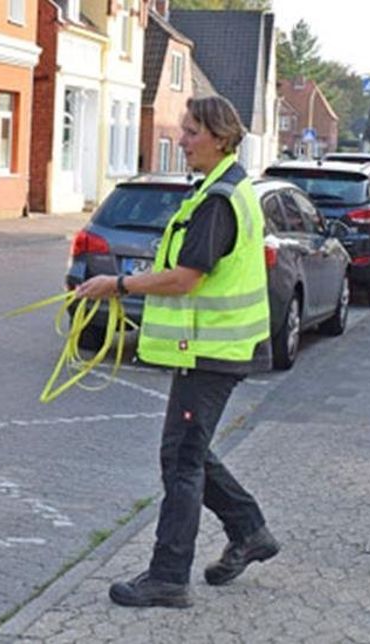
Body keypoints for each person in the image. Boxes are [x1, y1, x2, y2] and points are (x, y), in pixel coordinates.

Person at [75, 95, 279, 608]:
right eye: (184, 130)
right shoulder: (222, 188)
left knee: (181, 459)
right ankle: (249, 530)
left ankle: (168, 577)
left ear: (220, 137)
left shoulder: (218, 200)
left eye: (190, 132)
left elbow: (186, 279)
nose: (182, 140)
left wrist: (117, 285)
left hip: (212, 350)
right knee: (189, 451)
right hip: (214, 349)